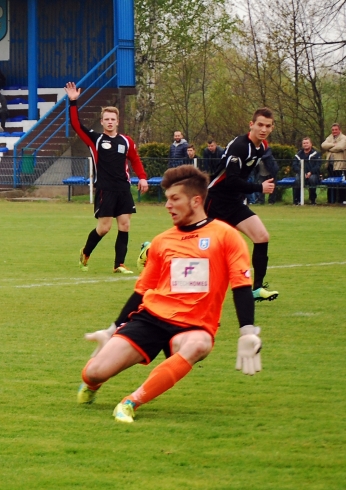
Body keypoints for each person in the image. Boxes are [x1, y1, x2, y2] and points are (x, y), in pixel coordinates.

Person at [77, 165, 262, 424]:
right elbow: (142, 291)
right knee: (95, 372)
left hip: (194, 325)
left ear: (196, 200)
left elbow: (241, 286)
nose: (168, 205)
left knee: (200, 344)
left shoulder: (227, 236)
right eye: (167, 199)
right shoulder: (163, 241)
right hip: (150, 319)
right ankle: (91, 385)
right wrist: (112, 330)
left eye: (175, 199)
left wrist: (247, 332)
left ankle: (130, 402)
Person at [66, 81, 149, 274]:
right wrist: (72, 102)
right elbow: (76, 125)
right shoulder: (95, 140)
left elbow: (135, 161)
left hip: (123, 188)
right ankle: (85, 252)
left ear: (117, 121)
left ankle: (119, 264)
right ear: (102, 122)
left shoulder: (126, 141)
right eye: (106, 119)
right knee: (104, 228)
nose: (110, 122)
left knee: (125, 225)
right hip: (105, 188)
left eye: (113, 119)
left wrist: (142, 178)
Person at [205, 108, 279, 302]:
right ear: (251, 124)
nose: (263, 129)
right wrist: (258, 187)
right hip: (215, 200)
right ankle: (151, 250)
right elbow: (231, 180)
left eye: (268, 126)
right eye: (260, 124)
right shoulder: (239, 146)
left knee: (262, 236)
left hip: (234, 202)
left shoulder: (262, 147)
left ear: (272, 128)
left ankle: (257, 289)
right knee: (195, 245)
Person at [321, 123, 346, 204]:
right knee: (330, 183)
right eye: (333, 130)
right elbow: (323, 145)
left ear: (339, 130)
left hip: (340, 165)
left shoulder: (344, 138)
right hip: (330, 165)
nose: (334, 131)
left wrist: (329, 149)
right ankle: (331, 200)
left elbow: (341, 147)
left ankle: (341, 200)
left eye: (336, 130)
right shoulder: (330, 137)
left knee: (341, 183)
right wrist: (333, 144)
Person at [292, 137, 322, 205]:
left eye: (307, 143)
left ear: (311, 144)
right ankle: (296, 201)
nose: (305, 144)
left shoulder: (316, 154)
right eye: (304, 143)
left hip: (314, 174)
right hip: (301, 174)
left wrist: (310, 172)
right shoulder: (298, 155)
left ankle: (312, 200)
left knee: (312, 179)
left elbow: (318, 165)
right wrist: (302, 173)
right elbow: (294, 165)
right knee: (297, 180)